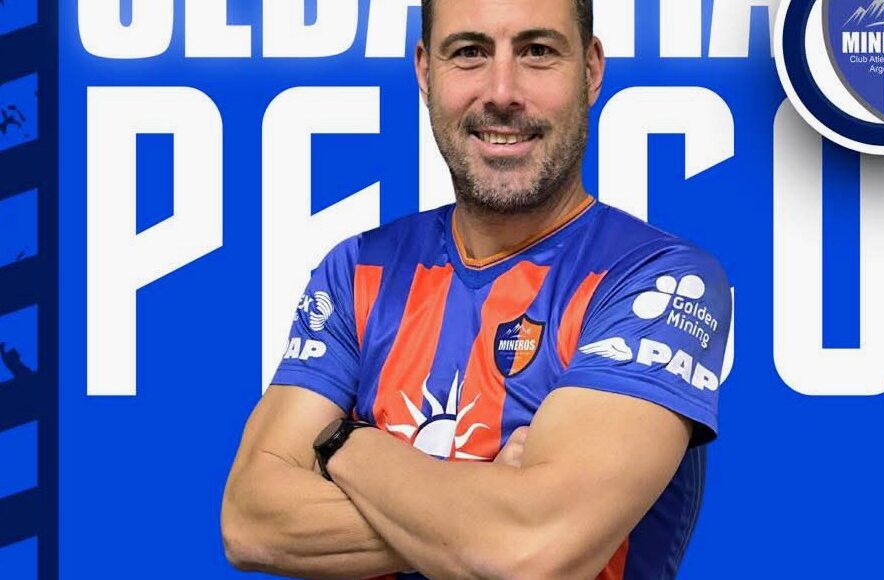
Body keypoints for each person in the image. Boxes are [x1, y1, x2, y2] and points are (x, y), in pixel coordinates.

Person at [221, 0, 732, 577]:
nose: (502, 92)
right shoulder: (360, 268)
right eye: (469, 53)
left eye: (537, 51)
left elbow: (533, 551)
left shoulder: (659, 280)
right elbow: (250, 519)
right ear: (425, 72)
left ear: (590, 71)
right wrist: (487, 503)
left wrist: (346, 444)